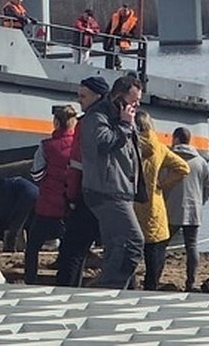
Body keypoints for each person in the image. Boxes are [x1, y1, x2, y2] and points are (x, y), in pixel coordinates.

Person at [79, 73, 145, 289]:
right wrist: (125, 126)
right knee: (134, 242)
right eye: (132, 102)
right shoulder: (96, 117)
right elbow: (101, 143)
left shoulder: (122, 118)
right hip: (106, 190)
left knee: (116, 245)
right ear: (118, 98)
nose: (135, 107)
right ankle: (110, 286)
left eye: (138, 103)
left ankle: (119, 290)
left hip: (121, 189)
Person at [56, 76, 109, 286]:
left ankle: (66, 292)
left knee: (72, 251)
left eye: (83, 96)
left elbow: (77, 163)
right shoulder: (115, 121)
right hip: (112, 195)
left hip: (86, 194)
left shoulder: (87, 123)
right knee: (115, 249)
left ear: (97, 96)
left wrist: (71, 196)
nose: (79, 100)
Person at [132, 109, 190, 290]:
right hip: (153, 205)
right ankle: (151, 288)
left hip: (131, 204)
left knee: (129, 254)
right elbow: (183, 167)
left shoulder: (129, 144)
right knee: (155, 255)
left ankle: (130, 287)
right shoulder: (159, 147)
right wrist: (162, 184)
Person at [25, 104, 78, 284]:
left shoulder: (46, 146)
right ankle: (67, 282)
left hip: (46, 206)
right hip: (70, 207)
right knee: (71, 249)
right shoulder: (80, 146)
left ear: (56, 122)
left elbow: (36, 173)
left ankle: (30, 280)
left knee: (33, 246)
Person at [166, 126, 209, 291]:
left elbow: (162, 181)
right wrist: (200, 202)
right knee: (191, 246)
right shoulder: (200, 161)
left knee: (161, 245)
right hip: (194, 210)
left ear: (176, 139)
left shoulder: (169, 158)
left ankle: (155, 277)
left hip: (171, 208)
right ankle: (191, 282)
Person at [0, 176, 38, 253]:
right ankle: (29, 247)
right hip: (32, 192)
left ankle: (10, 248)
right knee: (25, 223)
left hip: (27, 194)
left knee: (17, 223)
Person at [104, 4, 138, 70]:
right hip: (112, 40)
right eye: (122, 11)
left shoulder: (132, 21)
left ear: (128, 11)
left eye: (125, 11)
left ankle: (116, 64)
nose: (124, 13)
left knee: (112, 51)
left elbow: (134, 35)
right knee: (109, 52)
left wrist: (125, 35)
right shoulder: (115, 17)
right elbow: (108, 30)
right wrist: (105, 40)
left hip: (123, 42)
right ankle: (109, 68)